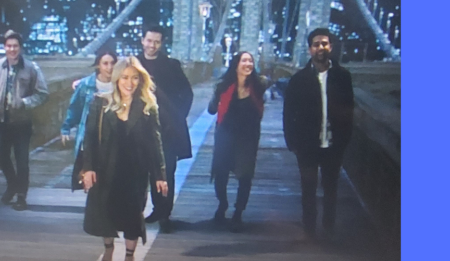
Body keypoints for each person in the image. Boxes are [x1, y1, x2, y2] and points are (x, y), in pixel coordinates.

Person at [81, 56, 168, 261]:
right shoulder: (100, 102)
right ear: (117, 78)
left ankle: (129, 257)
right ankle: (109, 249)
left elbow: (154, 142)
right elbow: (89, 137)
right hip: (105, 169)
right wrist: (88, 167)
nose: (130, 83)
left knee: (132, 215)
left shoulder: (148, 106)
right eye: (125, 78)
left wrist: (160, 174)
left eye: (135, 78)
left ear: (141, 80)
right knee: (105, 214)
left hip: (135, 171)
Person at [283, 28, 354, 237]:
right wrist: (291, 142)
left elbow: (349, 110)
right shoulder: (298, 80)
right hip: (307, 145)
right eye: (316, 44)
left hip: (333, 144)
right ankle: (309, 227)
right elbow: (288, 113)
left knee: (331, 189)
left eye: (324, 43)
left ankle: (329, 226)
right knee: (308, 188)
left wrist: (344, 140)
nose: (321, 48)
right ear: (310, 49)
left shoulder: (343, 77)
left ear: (330, 47)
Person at [136, 25, 193, 233]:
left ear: (161, 43)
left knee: (166, 173)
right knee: (140, 172)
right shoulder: (133, 65)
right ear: (142, 40)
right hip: (138, 130)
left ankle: (164, 214)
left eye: (156, 42)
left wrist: (176, 118)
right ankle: (140, 212)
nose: (152, 46)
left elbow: (187, 94)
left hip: (165, 130)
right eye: (149, 41)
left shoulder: (171, 66)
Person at [0, 29, 49, 211]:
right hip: (1, 120)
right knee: (0, 155)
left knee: (22, 160)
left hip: (22, 122)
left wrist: (25, 103)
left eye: (15, 46)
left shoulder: (31, 68)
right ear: (4, 47)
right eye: (9, 46)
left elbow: (43, 93)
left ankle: (21, 196)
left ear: (20, 48)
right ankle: (12, 184)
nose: (12, 49)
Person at [208, 52, 269, 232]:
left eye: (251, 61)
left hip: (248, 138)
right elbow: (211, 110)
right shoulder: (223, 86)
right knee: (221, 174)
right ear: (236, 64)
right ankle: (223, 204)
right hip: (225, 135)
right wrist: (216, 95)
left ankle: (238, 213)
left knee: (245, 175)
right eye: (244, 60)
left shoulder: (259, 85)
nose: (248, 64)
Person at [60, 50, 117, 190]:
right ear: (98, 65)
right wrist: (66, 127)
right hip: (91, 136)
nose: (109, 67)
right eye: (105, 63)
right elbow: (75, 108)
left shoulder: (120, 84)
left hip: (113, 137)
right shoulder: (86, 85)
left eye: (112, 63)